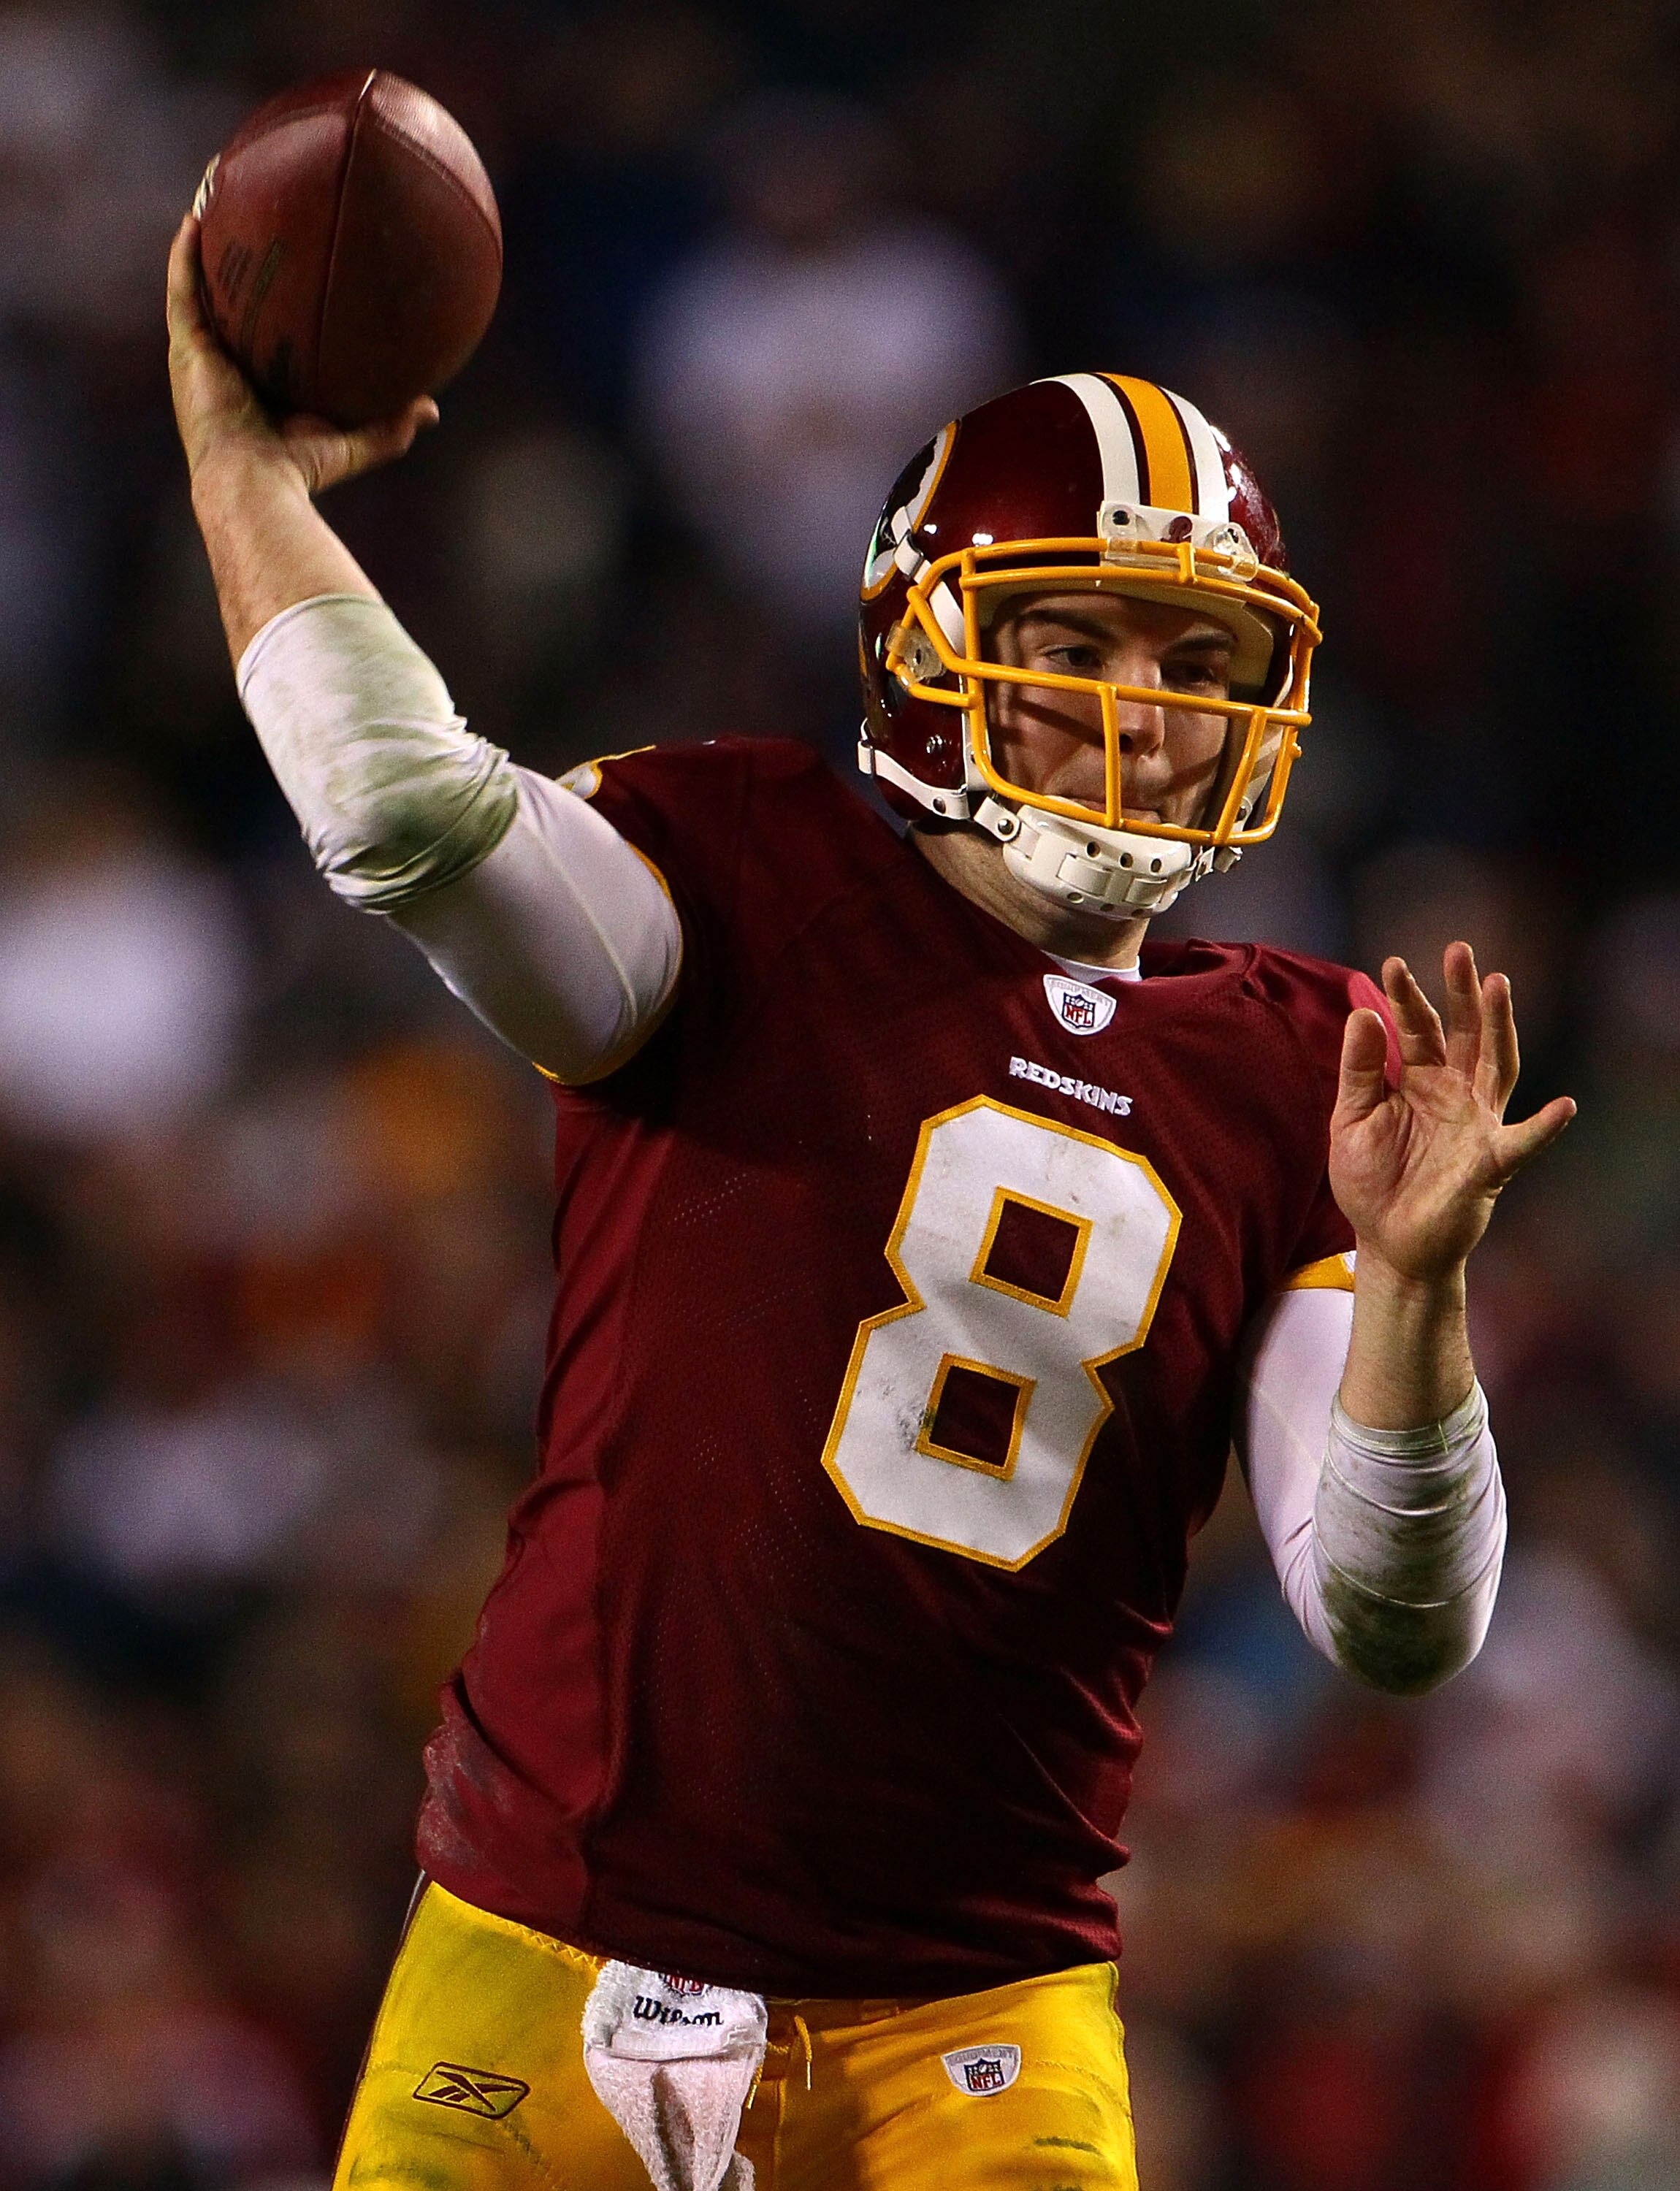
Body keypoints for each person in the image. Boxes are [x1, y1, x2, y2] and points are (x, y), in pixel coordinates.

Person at [165, 215, 1573, 2191]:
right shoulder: (739, 868)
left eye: (1194, 654)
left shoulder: (1304, 1062)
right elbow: (398, 809)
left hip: (967, 2013)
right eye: (1069, 638)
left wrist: (1419, 1294)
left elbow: (1393, 1618)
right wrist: (239, 470)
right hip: (541, 1936)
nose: (1141, 704)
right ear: (926, 648)